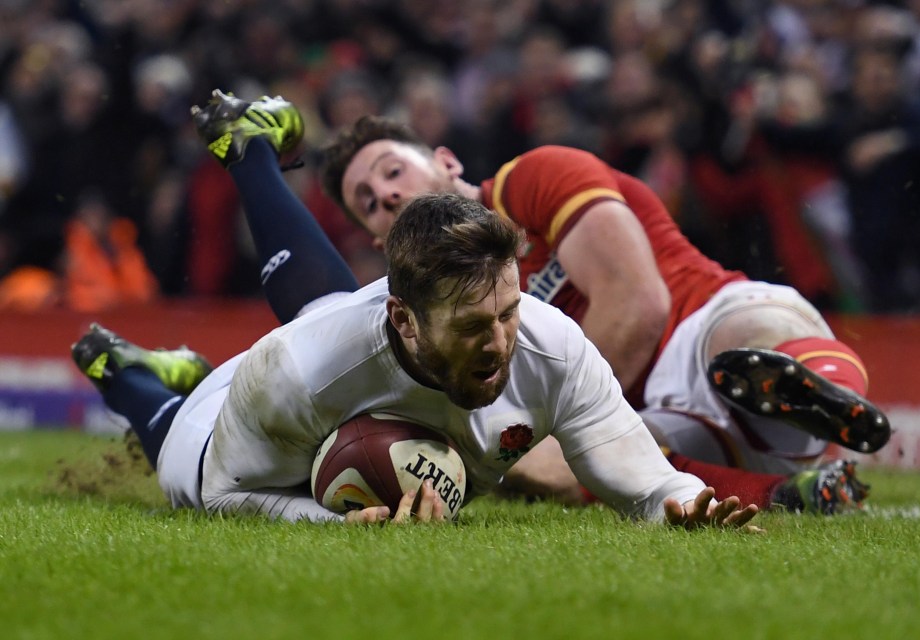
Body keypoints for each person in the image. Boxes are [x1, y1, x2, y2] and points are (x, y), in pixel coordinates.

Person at [177, 91, 878, 516]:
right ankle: (788, 493)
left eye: (392, 171)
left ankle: (833, 394)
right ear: (388, 242)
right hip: (659, 414)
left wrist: (557, 421)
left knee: (751, 331)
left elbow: (640, 305)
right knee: (571, 463)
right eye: (371, 205)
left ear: (445, 162)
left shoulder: (534, 178)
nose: (386, 195)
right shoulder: (420, 312)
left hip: (697, 322)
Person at [71, 188, 760, 530]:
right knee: (170, 443)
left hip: (321, 368)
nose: (499, 345)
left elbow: (640, 480)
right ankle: (131, 377)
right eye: (471, 326)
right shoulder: (298, 373)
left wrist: (686, 505)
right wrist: (334, 525)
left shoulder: (551, 345)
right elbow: (221, 494)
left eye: (508, 312)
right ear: (403, 318)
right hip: (220, 431)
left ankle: (164, 373)